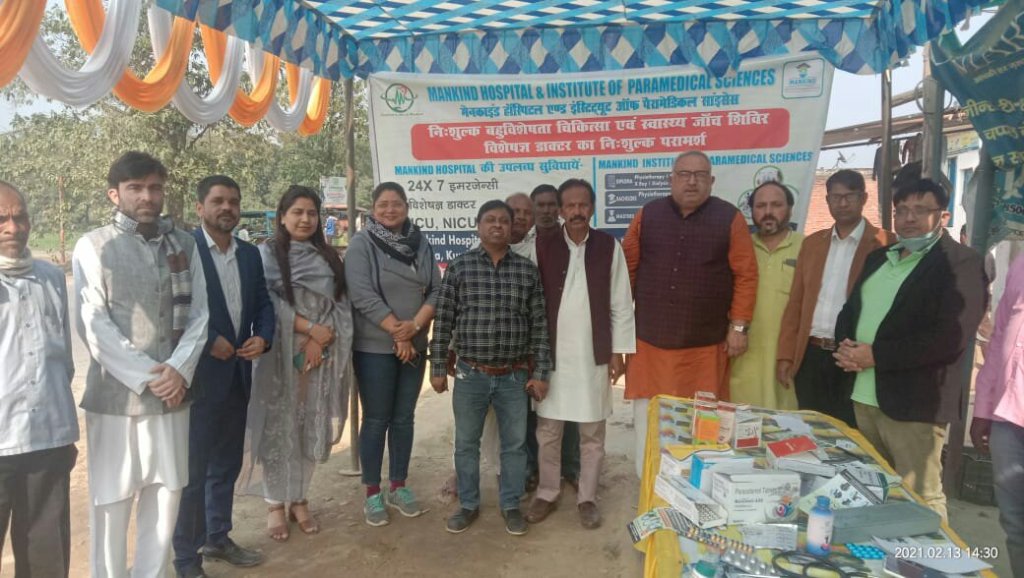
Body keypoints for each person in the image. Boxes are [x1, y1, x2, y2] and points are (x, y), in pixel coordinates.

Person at [73, 152, 210, 578]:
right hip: (116, 400)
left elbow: (200, 316)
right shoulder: (94, 245)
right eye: (135, 188)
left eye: (154, 187)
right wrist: (152, 376)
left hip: (173, 396)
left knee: (166, 496)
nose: (146, 197)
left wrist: (179, 370)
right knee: (111, 500)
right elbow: (93, 323)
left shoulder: (185, 244)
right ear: (114, 194)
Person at [834, 178, 987, 521]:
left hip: (914, 404)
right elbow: (850, 310)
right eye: (901, 210)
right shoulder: (879, 258)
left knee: (920, 500)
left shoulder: (960, 263)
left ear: (943, 216)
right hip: (863, 396)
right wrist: (845, 346)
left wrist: (876, 355)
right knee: (871, 491)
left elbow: (951, 336)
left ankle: (929, 555)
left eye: (920, 210)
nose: (909, 218)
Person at [621, 151, 758, 477]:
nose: (692, 181)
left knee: (702, 424)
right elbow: (626, 271)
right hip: (650, 345)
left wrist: (739, 326)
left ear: (711, 181)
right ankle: (648, 485)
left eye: (700, 175)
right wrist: (618, 330)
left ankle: (695, 486)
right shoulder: (647, 215)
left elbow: (746, 274)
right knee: (649, 420)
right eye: (684, 174)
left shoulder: (729, 218)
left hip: (705, 347)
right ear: (671, 179)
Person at [172, 176, 275, 578]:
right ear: (200, 207)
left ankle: (218, 536)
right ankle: (186, 558)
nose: (227, 208)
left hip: (237, 375)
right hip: (198, 378)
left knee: (226, 464)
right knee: (193, 472)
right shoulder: (184, 251)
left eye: (233, 200)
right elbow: (175, 309)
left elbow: (263, 303)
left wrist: (262, 336)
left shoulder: (249, 254)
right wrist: (208, 340)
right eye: (218, 201)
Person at [429, 200, 551, 537]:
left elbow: (540, 326)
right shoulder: (460, 267)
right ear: (478, 226)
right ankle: (468, 504)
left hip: (514, 376)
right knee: (466, 443)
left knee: (514, 445)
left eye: (504, 221)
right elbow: (444, 321)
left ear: (512, 228)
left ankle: (510, 504)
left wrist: (541, 373)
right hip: (471, 374)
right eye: (490, 220)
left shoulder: (526, 271)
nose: (497, 226)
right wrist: (437, 366)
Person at [238, 185, 353, 541]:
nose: (305, 219)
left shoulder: (329, 256)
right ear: (282, 216)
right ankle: (275, 503)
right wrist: (308, 330)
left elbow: (341, 303)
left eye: (312, 213)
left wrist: (322, 338)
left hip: (321, 356)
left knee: (309, 427)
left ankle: (300, 499)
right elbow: (266, 303)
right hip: (279, 356)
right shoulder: (266, 255)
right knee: (279, 427)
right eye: (297, 212)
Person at [526, 179, 635, 529]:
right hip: (552, 358)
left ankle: (587, 497)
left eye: (583, 205)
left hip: (592, 357)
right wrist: (533, 354)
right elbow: (530, 303)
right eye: (570, 205)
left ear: (592, 208)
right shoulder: (542, 246)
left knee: (592, 433)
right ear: (560, 210)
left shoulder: (608, 246)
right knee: (548, 431)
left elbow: (621, 302)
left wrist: (618, 351)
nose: (576, 211)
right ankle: (547, 492)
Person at [346, 182, 441, 527]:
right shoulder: (361, 244)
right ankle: (372, 492)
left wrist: (413, 328)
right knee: (376, 419)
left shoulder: (420, 242)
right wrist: (397, 332)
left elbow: (436, 290)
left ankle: (398, 486)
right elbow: (361, 294)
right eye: (383, 204)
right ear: (373, 209)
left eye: (396, 204)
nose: (390, 210)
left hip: (415, 343)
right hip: (375, 347)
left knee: (403, 418)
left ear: (406, 207)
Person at [0, 181, 78, 577]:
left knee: (46, 559)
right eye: (1, 219)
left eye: (20, 217)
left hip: (48, 437)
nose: (13, 228)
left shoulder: (50, 277)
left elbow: (64, 359)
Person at [777, 169, 896, 426]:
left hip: (853, 357)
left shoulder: (886, 243)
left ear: (863, 198)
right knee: (810, 430)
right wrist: (786, 355)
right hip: (811, 355)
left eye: (849, 196)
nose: (842, 203)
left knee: (851, 433)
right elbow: (795, 303)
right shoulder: (812, 244)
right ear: (827, 200)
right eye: (835, 197)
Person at [728, 182, 802, 409]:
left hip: (786, 360)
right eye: (760, 206)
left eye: (776, 205)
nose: (768, 212)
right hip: (742, 358)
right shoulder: (738, 248)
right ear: (751, 211)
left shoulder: (808, 248)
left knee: (784, 424)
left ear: (790, 208)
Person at [973, 252, 1024, 578]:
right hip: (1009, 416)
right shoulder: (1021, 263)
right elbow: (1001, 335)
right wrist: (983, 408)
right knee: (1015, 522)